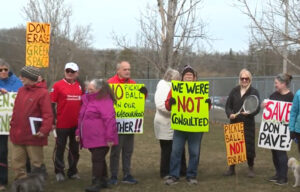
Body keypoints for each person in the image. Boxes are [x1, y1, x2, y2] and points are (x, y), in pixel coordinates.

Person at [164, 65, 209, 185]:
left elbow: (205, 109)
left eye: (191, 75)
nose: (188, 77)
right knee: (176, 152)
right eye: (186, 75)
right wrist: (170, 102)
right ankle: (174, 175)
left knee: (194, 152)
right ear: (182, 77)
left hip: (195, 128)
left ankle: (192, 175)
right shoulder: (175, 89)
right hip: (180, 127)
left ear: (194, 78)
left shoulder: (200, 89)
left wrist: (208, 104)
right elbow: (167, 106)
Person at [10, 66, 53, 180]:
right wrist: (12, 125)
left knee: (36, 164)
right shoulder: (21, 90)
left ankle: (36, 185)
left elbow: (48, 114)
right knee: (17, 163)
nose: (20, 78)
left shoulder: (43, 93)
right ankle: (21, 185)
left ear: (30, 78)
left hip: (34, 136)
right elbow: (16, 111)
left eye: (22, 76)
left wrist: (44, 130)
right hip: (18, 135)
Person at [76, 79, 118, 192]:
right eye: (88, 89)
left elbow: (110, 120)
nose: (88, 91)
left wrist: (110, 137)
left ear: (99, 90)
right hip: (92, 137)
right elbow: (81, 117)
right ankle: (104, 180)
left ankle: (97, 182)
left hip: (101, 137)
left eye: (91, 89)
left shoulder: (104, 101)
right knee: (99, 158)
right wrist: (78, 132)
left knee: (97, 159)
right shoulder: (89, 100)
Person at [108, 61, 144, 185]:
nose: (128, 71)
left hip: (129, 123)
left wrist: (143, 95)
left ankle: (127, 174)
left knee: (128, 150)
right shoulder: (110, 83)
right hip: (115, 124)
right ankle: (113, 175)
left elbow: (137, 104)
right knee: (115, 151)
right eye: (125, 69)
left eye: (129, 69)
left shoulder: (133, 84)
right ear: (118, 71)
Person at [224, 68, 260, 177]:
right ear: (239, 79)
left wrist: (249, 113)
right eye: (242, 78)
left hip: (248, 123)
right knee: (234, 146)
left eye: (246, 78)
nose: (244, 80)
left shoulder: (254, 92)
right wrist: (230, 113)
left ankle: (251, 168)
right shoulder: (234, 91)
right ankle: (232, 169)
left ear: (250, 79)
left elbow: (257, 108)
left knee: (249, 147)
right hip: (234, 122)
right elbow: (228, 106)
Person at [51, 62, 83, 181]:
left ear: (77, 73)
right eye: (67, 71)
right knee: (60, 148)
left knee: (74, 149)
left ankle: (73, 171)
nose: (69, 73)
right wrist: (53, 120)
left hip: (76, 125)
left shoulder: (81, 86)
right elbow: (52, 104)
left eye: (72, 71)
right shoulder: (58, 85)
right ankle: (59, 171)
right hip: (61, 124)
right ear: (64, 72)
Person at [154, 68, 187, 179]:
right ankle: (165, 172)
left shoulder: (175, 87)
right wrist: (173, 108)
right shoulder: (163, 87)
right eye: (177, 78)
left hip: (176, 123)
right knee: (167, 149)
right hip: (164, 123)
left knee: (179, 148)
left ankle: (182, 170)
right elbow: (161, 105)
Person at [262, 74, 293, 185]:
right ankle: (278, 174)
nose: (275, 85)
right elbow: (268, 110)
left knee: (281, 153)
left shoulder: (291, 97)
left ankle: (283, 177)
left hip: (284, 131)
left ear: (283, 84)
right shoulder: (273, 95)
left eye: (276, 83)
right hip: (273, 130)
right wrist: (264, 105)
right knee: (274, 153)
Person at [0, 59, 23, 191]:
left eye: (5, 70)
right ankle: (2, 181)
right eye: (0, 70)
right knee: (2, 152)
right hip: (1, 124)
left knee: (19, 152)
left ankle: (21, 179)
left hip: (16, 122)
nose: (3, 72)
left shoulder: (17, 82)